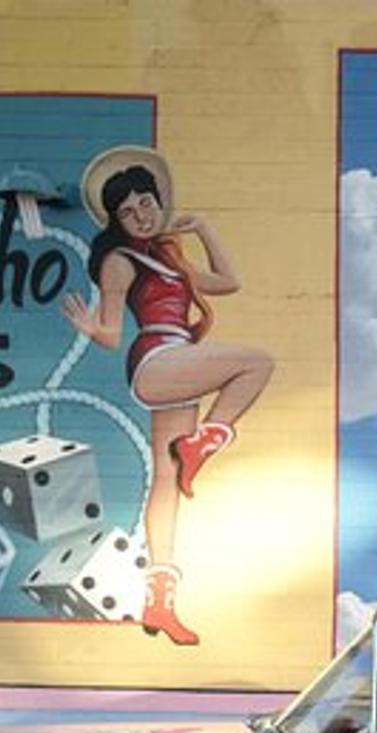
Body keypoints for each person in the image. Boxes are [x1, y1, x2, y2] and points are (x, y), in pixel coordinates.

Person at [63, 145, 275, 646]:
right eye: (128, 211)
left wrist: (201, 228)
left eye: (146, 204)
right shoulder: (119, 259)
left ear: (159, 202)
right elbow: (114, 334)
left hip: (179, 361)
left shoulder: (168, 255)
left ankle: (159, 602)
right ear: (115, 220)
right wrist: (90, 327)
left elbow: (228, 281)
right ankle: (204, 442)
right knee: (257, 362)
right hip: (157, 360)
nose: (140, 216)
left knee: (168, 480)